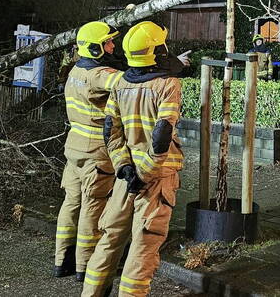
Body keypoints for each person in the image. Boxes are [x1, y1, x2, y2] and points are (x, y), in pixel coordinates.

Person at [81, 21, 187, 297]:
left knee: (109, 239)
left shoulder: (122, 83)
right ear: (156, 50)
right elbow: (162, 135)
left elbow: (110, 131)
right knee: (143, 246)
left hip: (125, 180)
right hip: (155, 179)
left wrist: (124, 167)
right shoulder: (168, 84)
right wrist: (145, 174)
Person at [54, 22, 123, 280]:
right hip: (97, 152)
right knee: (92, 206)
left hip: (74, 149)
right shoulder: (98, 75)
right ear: (96, 48)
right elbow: (128, 83)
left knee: (71, 203)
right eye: (108, 42)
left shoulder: (74, 71)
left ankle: (62, 261)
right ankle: (86, 266)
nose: (113, 46)